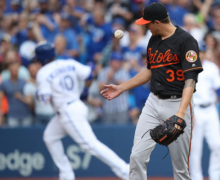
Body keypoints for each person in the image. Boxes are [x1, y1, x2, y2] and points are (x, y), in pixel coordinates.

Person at [101, 3, 203, 180]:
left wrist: (180, 114)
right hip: (153, 102)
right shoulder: (153, 39)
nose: (145, 27)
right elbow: (150, 70)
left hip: (177, 103)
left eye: (147, 23)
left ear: (157, 22)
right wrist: (121, 87)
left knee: (180, 168)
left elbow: (190, 80)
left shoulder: (186, 41)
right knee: (136, 156)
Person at [34, 42, 129, 180]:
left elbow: (44, 99)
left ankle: (125, 171)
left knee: (91, 145)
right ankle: (66, 174)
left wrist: (38, 92)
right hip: (74, 106)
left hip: (68, 112)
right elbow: (89, 74)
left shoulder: (43, 72)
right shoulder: (67, 62)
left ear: (41, 59)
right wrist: (84, 90)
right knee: (49, 137)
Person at [189, 42, 220, 180]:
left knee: (217, 144)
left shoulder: (211, 67)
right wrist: (189, 111)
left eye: (202, 51)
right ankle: (196, 178)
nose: (200, 54)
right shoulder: (185, 68)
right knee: (195, 149)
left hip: (210, 109)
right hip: (195, 109)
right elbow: (183, 93)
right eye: (198, 51)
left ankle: (215, 176)